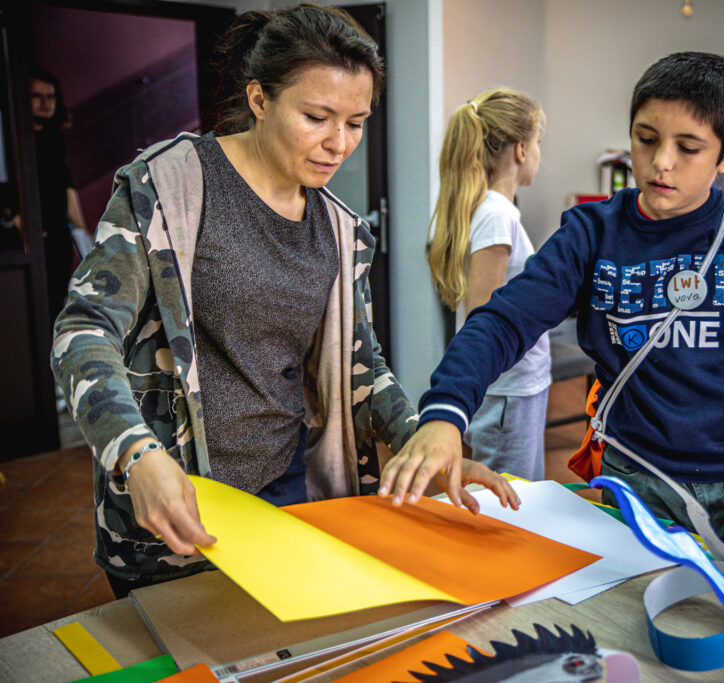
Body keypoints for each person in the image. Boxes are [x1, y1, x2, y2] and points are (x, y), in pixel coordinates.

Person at [51, 4, 516, 599]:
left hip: (283, 493)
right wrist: (136, 454)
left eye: (356, 122)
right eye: (317, 116)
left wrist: (419, 443)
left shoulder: (340, 232)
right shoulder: (168, 188)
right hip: (172, 502)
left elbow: (361, 369)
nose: (338, 143)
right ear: (260, 99)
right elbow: (84, 330)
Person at [381, 52, 724, 570]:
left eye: (688, 147)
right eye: (646, 139)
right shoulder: (591, 232)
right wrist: (445, 412)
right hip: (639, 480)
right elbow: (503, 319)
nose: (661, 161)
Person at [427, 89, 551, 481]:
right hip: (508, 392)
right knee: (508, 503)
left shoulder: (496, 211)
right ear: (519, 149)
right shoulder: (497, 216)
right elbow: (483, 316)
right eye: (537, 145)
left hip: (515, 388)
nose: (539, 156)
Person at [24, 68, 88, 328]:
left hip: (57, 238)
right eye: (37, 96)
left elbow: (67, 188)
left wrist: (86, 235)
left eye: (50, 97)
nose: (44, 103)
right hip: (31, 239)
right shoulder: (19, 140)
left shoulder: (54, 137)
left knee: (55, 307)